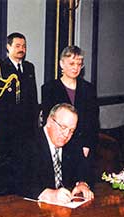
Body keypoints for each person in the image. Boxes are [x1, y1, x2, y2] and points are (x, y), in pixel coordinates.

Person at [15, 103, 94, 203]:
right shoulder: (27, 143)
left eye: (71, 130)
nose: (66, 135)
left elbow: (86, 169)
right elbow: (17, 181)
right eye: (63, 127)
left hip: (65, 210)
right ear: (49, 121)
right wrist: (47, 194)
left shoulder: (73, 142)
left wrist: (82, 183)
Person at [41, 46, 99, 179]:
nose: (75, 68)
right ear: (62, 64)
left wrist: (87, 145)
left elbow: (93, 121)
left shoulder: (89, 89)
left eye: (79, 64)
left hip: (83, 148)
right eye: (71, 63)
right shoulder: (49, 88)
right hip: (60, 147)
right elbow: (48, 121)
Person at [0, 32, 38, 158]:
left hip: (27, 127)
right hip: (5, 127)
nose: (21, 49)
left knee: (26, 162)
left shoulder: (29, 68)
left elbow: (33, 99)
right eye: (17, 46)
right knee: (4, 163)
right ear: (8, 47)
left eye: (24, 46)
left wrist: (36, 125)